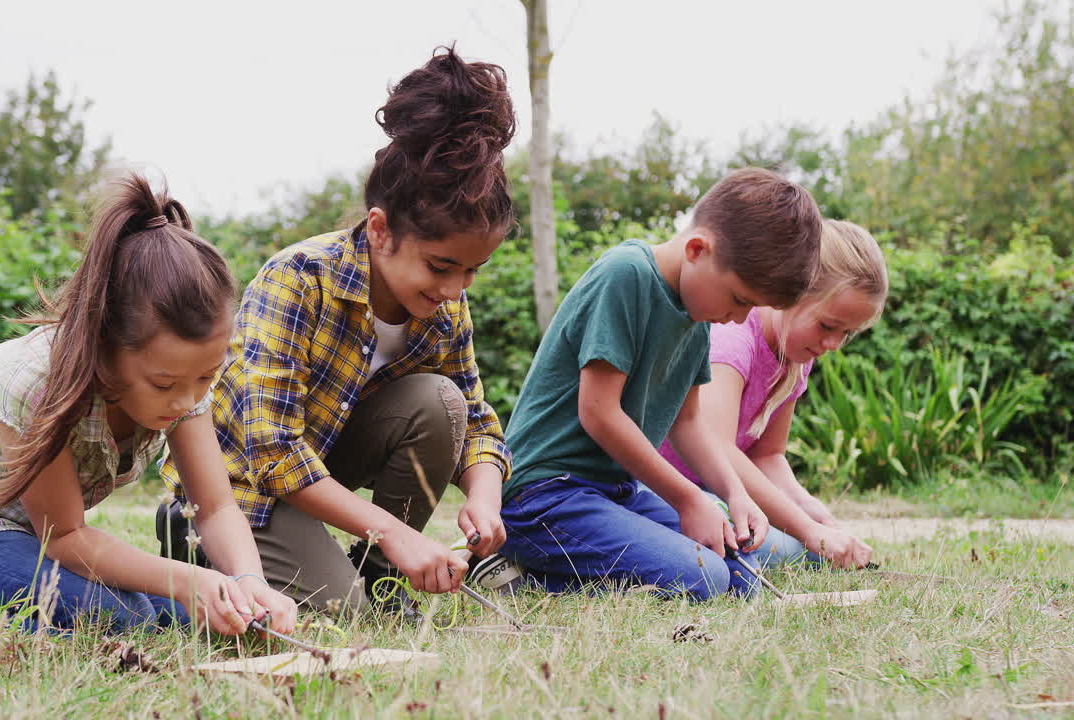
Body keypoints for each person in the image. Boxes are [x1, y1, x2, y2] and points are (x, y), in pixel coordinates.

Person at [0, 174, 297, 635]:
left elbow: (216, 507)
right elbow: (64, 538)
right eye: (164, 384)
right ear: (106, 345)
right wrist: (188, 578)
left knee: (191, 615)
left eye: (205, 376)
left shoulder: (183, 380)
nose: (187, 399)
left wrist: (248, 583)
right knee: (118, 616)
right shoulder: (35, 383)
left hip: (16, 535)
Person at [158, 46, 515, 616]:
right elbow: (272, 452)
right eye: (441, 266)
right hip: (244, 489)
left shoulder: (446, 308)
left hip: (325, 477)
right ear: (379, 230)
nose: (455, 288)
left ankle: (381, 576)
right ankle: (190, 535)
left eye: (472, 270)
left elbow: (474, 418)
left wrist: (484, 496)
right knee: (339, 614)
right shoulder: (299, 279)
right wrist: (394, 531)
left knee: (441, 402)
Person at [493, 168, 822, 600]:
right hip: (545, 497)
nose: (740, 319)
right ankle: (517, 573)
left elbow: (686, 423)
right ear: (697, 249)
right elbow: (599, 413)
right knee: (703, 578)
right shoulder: (625, 275)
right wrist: (689, 500)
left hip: (614, 493)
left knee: (742, 577)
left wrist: (734, 494)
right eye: (740, 299)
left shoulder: (698, 317)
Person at [659, 219, 886, 570]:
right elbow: (720, 450)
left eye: (847, 334)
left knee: (807, 549)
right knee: (785, 547)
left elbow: (768, 455)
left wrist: (812, 512)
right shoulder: (733, 339)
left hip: (722, 497)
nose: (833, 345)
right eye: (827, 326)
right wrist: (805, 529)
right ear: (790, 294)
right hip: (671, 491)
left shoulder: (796, 356)